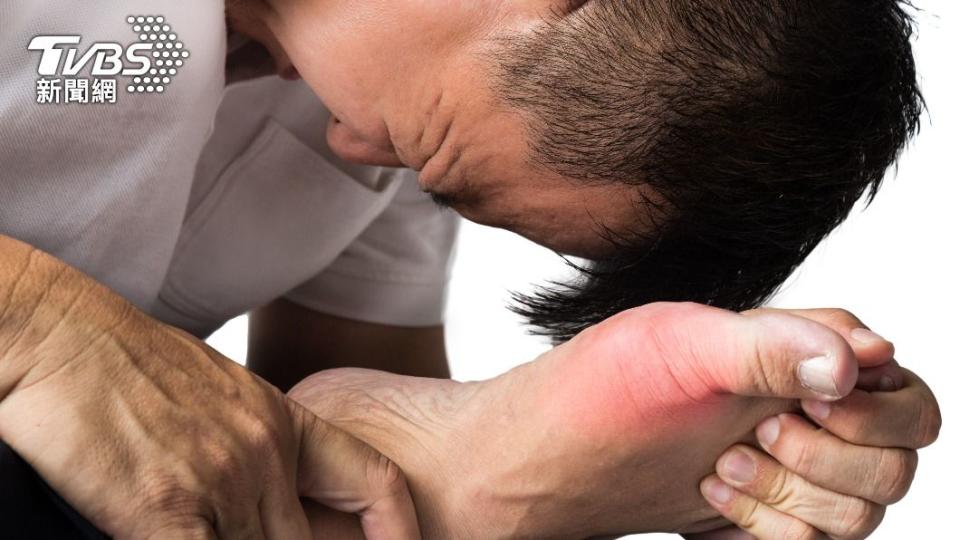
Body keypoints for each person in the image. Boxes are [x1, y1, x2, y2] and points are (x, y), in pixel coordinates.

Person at [0, 1, 940, 539]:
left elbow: (338, 459)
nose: (355, 144)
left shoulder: (365, 91)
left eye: (426, 174)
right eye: (436, 156)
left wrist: (708, 471)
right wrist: (44, 326)